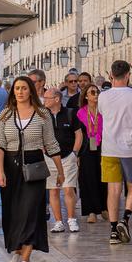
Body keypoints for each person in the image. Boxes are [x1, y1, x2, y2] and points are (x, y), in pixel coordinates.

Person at [0, 75, 63, 262]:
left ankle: (26, 258)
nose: (20, 92)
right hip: (11, 166)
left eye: (24, 88)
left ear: (31, 90)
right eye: (17, 88)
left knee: (31, 211)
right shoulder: (6, 114)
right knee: (13, 212)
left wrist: (60, 170)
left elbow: (51, 143)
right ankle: (17, 248)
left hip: (35, 167)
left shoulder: (42, 114)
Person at [98, 60, 132, 243]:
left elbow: (102, 114)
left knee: (113, 189)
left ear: (111, 75)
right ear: (128, 75)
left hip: (109, 148)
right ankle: (125, 219)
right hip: (131, 147)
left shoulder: (103, 96)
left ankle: (112, 230)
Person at [44, 88, 84, 233]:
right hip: (49, 158)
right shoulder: (42, 115)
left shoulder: (70, 113)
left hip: (68, 157)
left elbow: (79, 135)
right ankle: (58, 222)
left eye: (47, 98)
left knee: (68, 189)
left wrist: (74, 153)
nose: (44, 101)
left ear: (57, 99)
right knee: (53, 190)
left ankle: (71, 219)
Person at [77, 84, 106, 224]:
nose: (96, 95)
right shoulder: (80, 112)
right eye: (92, 92)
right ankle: (91, 211)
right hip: (87, 148)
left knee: (104, 177)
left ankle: (104, 207)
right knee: (88, 179)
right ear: (86, 96)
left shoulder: (103, 110)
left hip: (103, 146)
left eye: (97, 92)